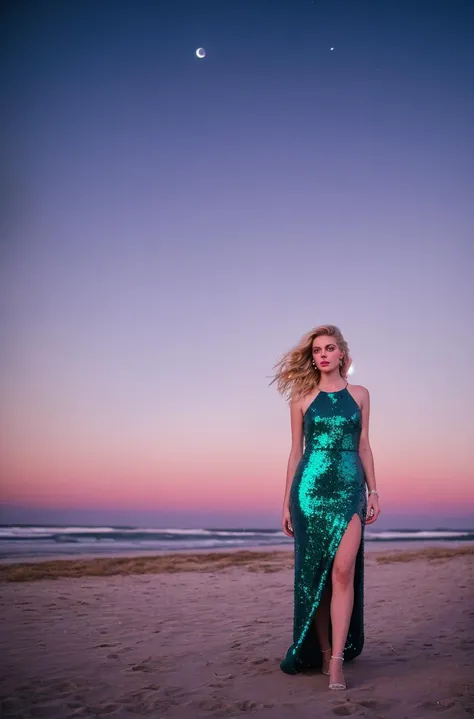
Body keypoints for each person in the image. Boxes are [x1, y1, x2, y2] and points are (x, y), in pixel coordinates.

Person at [270, 324, 380, 690]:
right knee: (316, 576)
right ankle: (324, 649)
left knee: (343, 571)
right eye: (317, 350)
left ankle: (336, 664)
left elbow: (363, 445)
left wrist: (374, 490)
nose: (323, 354)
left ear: (342, 355)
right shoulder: (301, 398)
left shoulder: (361, 394)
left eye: (330, 348)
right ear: (313, 357)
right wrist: (286, 501)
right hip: (309, 493)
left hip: (350, 489)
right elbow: (294, 452)